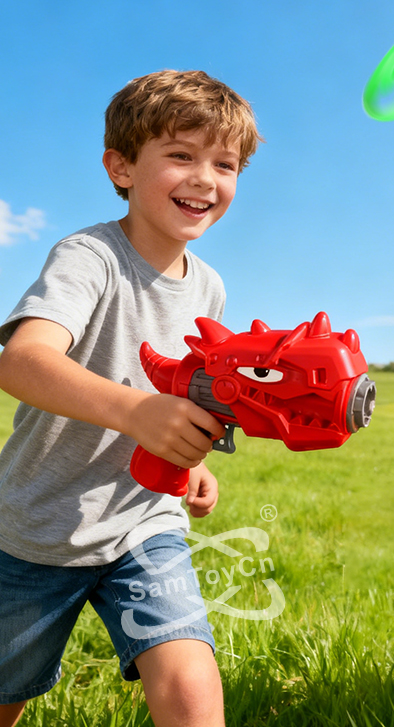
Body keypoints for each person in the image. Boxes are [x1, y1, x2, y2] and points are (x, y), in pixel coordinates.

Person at [0, 69, 263, 727]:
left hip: (144, 523)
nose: (206, 178)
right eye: (180, 155)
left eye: (224, 164)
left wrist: (191, 460)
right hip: (37, 532)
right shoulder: (89, 257)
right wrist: (136, 412)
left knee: (190, 684)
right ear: (121, 167)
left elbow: (184, 388)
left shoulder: (210, 289)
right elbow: (22, 361)